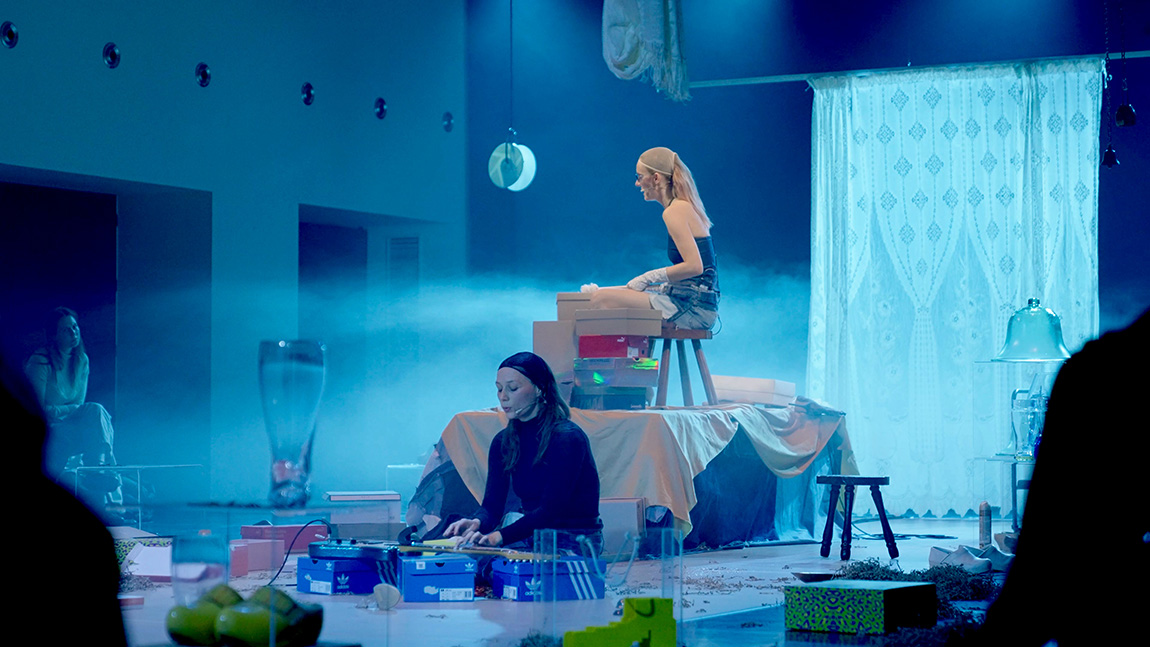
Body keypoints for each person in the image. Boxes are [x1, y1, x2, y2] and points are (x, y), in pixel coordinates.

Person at [444, 352, 603, 554]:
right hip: (532, 535)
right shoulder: (503, 442)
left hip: (575, 539)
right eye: (499, 389)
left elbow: (551, 510)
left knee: (515, 567)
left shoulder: (567, 438)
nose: (503, 397)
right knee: (471, 562)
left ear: (539, 389)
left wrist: (498, 537)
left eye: (513, 388)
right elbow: (492, 507)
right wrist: (477, 523)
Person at [588, 147, 719, 331]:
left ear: (656, 178)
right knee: (604, 293)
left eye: (640, 177)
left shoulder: (675, 211)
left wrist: (648, 277)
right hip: (693, 302)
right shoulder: (682, 207)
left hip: (693, 309)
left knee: (600, 299)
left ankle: (622, 349)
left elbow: (695, 267)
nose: (637, 183)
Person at [23, 307, 120, 505]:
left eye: (75, 327)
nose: (73, 332)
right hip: (49, 428)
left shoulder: (82, 360)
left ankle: (98, 472)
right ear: (54, 335)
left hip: (70, 425)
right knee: (96, 413)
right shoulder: (40, 362)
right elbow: (36, 410)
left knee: (96, 412)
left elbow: (79, 405)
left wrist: (69, 410)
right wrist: (68, 410)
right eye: (66, 330)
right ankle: (100, 469)